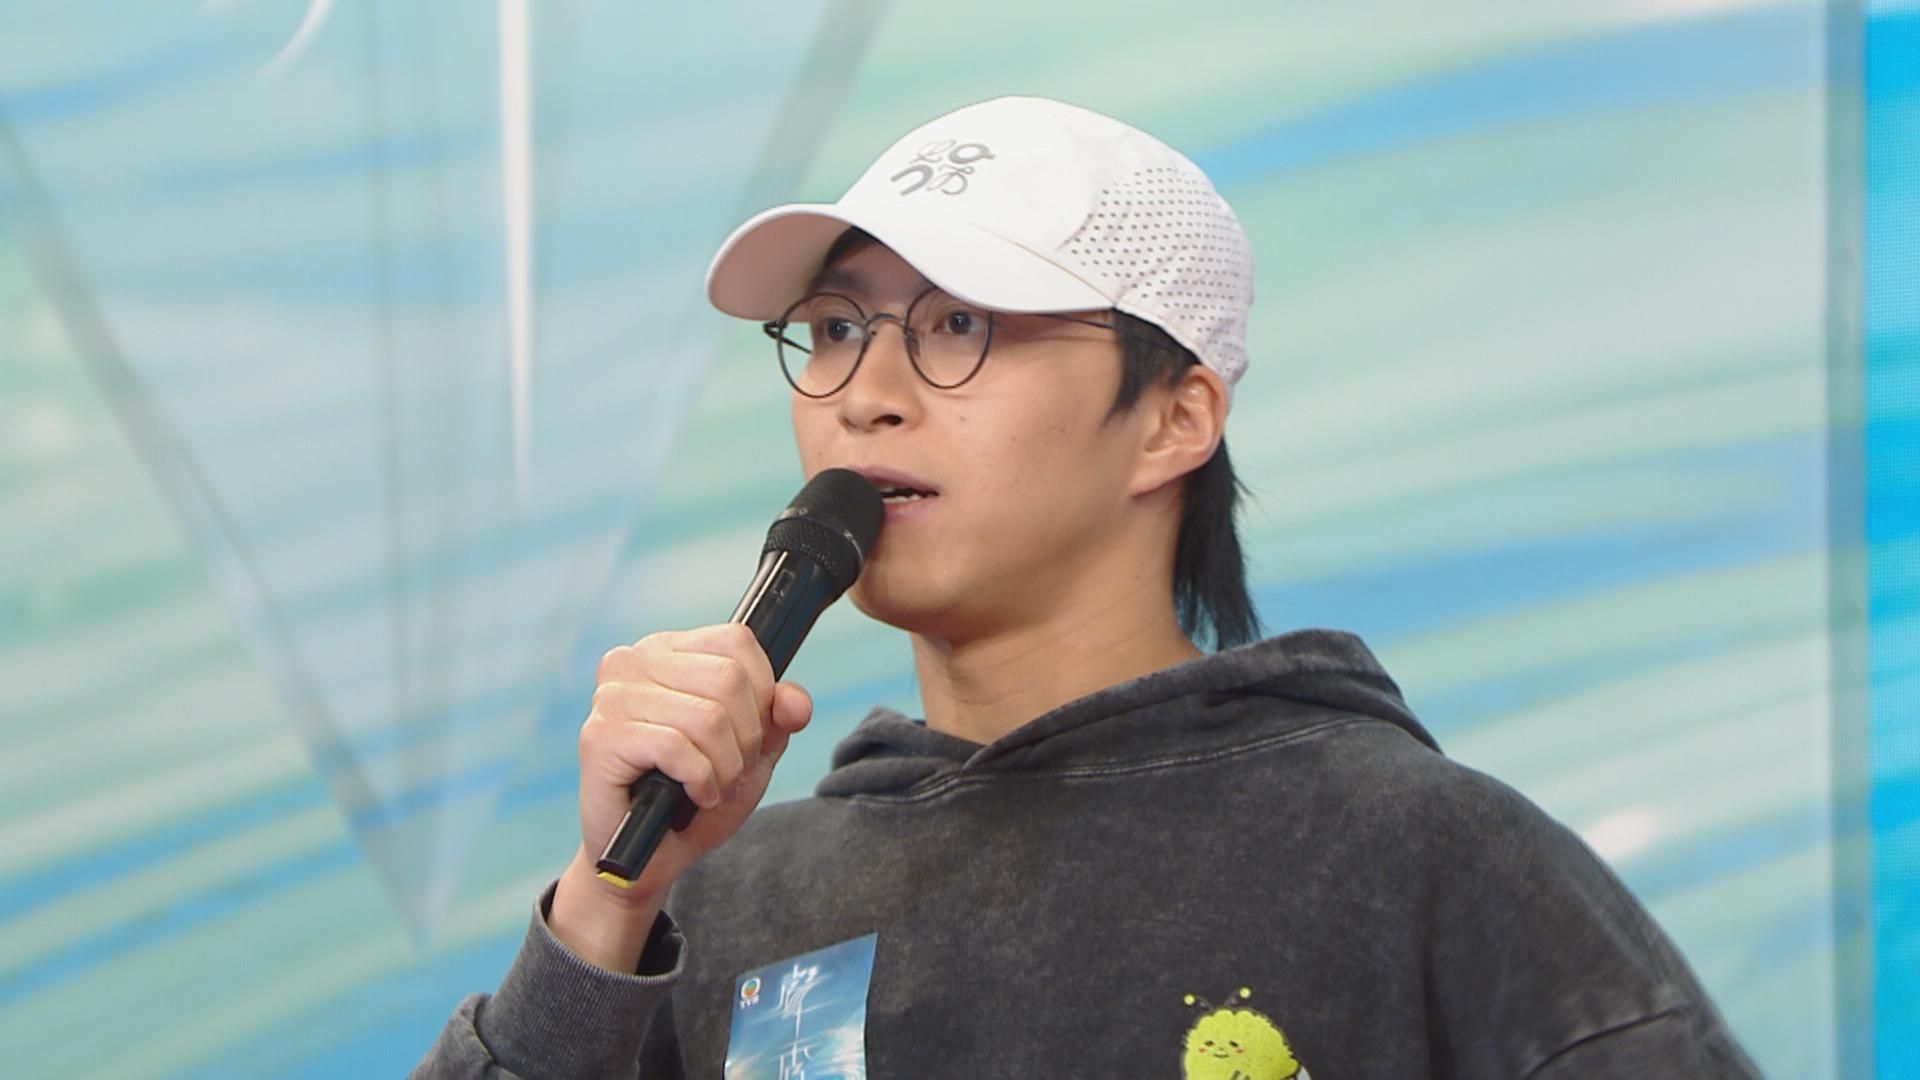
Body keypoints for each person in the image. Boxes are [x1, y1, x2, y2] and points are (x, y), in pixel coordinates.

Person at [415, 96, 1758, 1078]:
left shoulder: (1418, 854)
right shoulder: (724, 901)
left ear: (1176, 420)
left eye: (959, 324)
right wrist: (606, 904)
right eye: (832, 328)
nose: (864, 396)